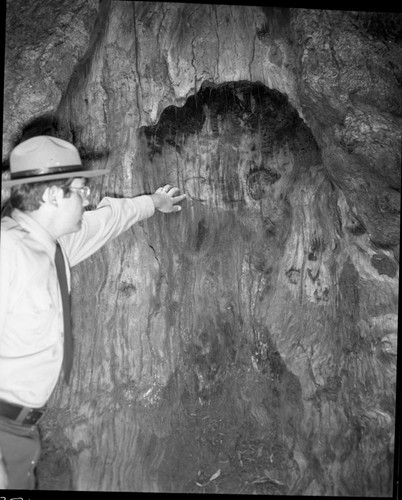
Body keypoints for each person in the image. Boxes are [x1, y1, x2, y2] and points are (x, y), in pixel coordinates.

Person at [0, 135, 186, 490]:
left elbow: (109, 219)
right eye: (81, 191)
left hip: (22, 431)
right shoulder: (7, 251)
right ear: (54, 195)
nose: (87, 200)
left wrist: (154, 202)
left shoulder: (54, 245)